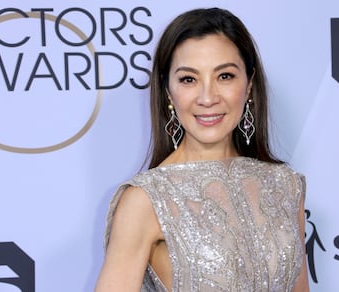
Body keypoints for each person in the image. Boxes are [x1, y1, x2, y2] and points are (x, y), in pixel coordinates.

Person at [95, 7, 309, 292]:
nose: (207, 98)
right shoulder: (145, 199)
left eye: (225, 76)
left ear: (248, 85)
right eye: (188, 79)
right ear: (168, 91)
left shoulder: (285, 185)